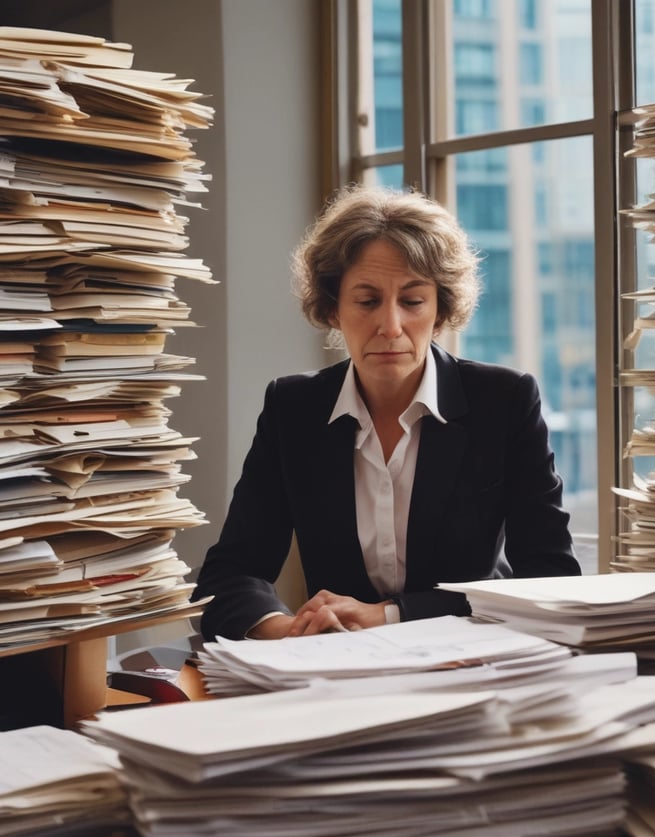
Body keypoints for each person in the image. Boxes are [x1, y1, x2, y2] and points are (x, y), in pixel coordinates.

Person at [192, 185, 580, 640]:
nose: (391, 326)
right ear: (334, 308)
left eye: (413, 301)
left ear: (440, 311)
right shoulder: (293, 408)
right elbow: (229, 576)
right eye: (367, 300)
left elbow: (551, 578)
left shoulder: (505, 400)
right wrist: (291, 632)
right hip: (338, 670)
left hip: (470, 660)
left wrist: (391, 614)